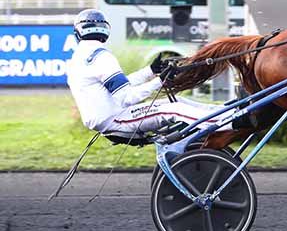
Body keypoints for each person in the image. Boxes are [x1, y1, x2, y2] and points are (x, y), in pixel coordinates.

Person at [67, 9, 234, 136]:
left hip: (107, 117)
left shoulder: (81, 58)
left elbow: (120, 86)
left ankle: (226, 111)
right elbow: (126, 98)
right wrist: (159, 81)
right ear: (105, 30)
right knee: (173, 109)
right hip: (115, 119)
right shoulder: (101, 56)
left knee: (177, 101)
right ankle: (229, 121)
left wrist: (150, 71)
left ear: (78, 33)